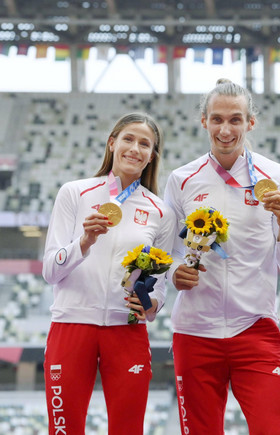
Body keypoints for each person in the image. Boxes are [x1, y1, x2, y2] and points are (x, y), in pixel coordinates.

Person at [164, 78, 280, 434]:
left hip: (254, 328)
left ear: (250, 122)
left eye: (236, 119)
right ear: (204, 122)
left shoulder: (278, 178)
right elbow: (166, 253)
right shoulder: (181, 179)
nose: (226, 130)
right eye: (217, 119)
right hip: (195, 332)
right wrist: (175, 273)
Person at [42, 112, 175, 435]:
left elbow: (159, 284)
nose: (135, 148)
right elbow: (49, 271)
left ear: (151, 156)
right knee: (64, 429)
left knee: (128, 429)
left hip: (126, 331)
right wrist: (84, 242)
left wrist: (152, 304)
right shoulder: (75, 193)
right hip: (71, 325)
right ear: (112, 143)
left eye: (145, 144)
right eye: (128, 139)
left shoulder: (161, 211)